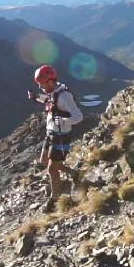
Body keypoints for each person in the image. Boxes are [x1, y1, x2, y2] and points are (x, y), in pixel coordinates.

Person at [28, 64, 84, 211]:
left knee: (52, 169)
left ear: (50, 81)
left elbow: (79, 117)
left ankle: (55, 199)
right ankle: (74, 173)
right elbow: (49, 102)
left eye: (41, 84)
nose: (40, 87)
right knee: (44, 160)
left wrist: (64, 121)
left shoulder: (65, 96)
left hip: (61, 135)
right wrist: (35, 98)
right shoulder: (53, 92)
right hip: (51, 132)